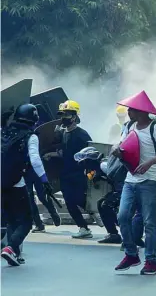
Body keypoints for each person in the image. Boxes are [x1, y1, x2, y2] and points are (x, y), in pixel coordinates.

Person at [113, 91, 156, 275]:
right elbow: (123, 146)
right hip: (131, 179)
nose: (128, 112)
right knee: (122, 216)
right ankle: (131, 254)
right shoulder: (128, 126)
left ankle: (151, 261)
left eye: (131, 109)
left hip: (150, 180)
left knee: (149, 222)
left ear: (141, 111)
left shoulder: (155, 128)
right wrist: (117, 150)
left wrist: (150, 162)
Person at [1, 104, 53, 266]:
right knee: (26, 221)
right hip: (17, 183)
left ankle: (14, 253)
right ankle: (10, 248)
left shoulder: (4, 131)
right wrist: (45, 180)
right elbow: (35, 160)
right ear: (34, 119)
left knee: (11, 220)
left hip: (1, 183)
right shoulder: (31, 136)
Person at [43, 100, 93, 239]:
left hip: (78, 173)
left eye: (67, 114)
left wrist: (90, 173)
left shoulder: (82, 135)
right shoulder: (63, 133)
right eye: (62, 115)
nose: (63, 118)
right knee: (70, 202)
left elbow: (91, 153)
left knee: (79, 199)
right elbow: (64, 152)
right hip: (65, 173)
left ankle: (96, 212)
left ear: (74, 116)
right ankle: (83, 228)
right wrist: (51, 154)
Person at [25, 168, 61, 233]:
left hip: (38, 172)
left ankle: (53, 213)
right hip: (25, 174)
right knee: (30, 201)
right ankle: (39, 225)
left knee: (42, 197)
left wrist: (44, 178)